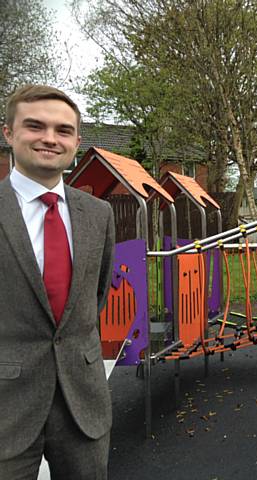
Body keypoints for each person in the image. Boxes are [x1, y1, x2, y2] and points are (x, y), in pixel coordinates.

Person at [0, 85, 115, 479]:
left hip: (82, 403)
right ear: (8, 133)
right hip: (6, 406)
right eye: (35, 126)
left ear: (77, 142)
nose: (50, 138)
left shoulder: (98, 215)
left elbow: (93, 296)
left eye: (63, 130)